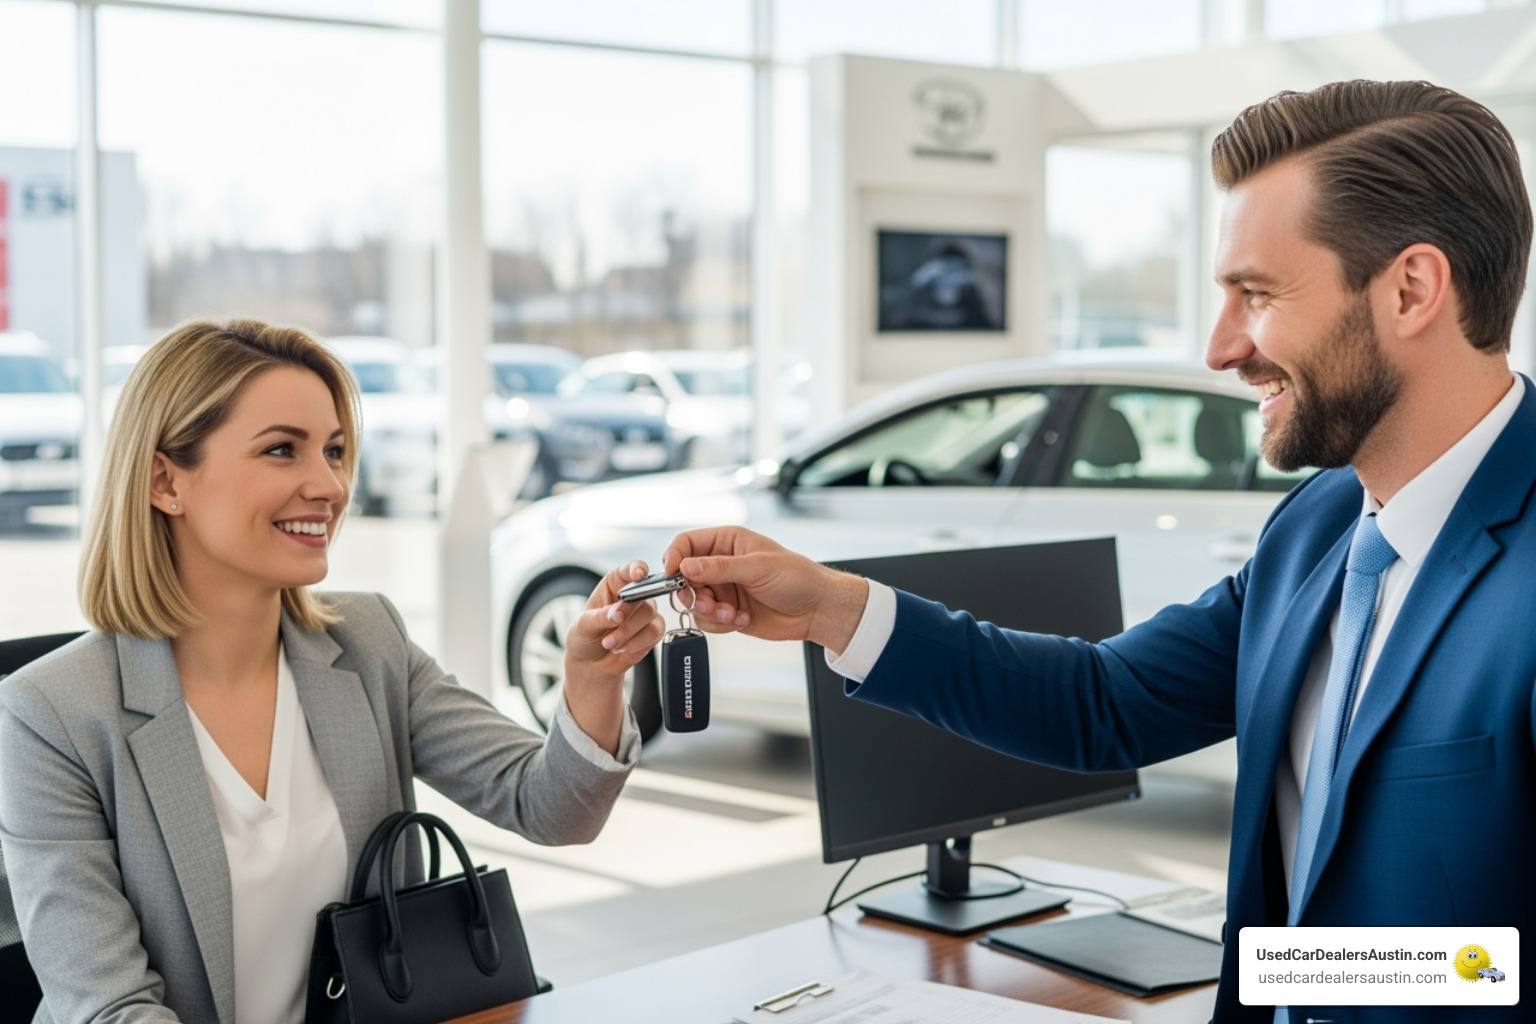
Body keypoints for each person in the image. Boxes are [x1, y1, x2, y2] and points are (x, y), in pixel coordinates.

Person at [662, 80, 1534, 1024]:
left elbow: (1501, 969)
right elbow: (1106, 702)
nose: (1220, 348)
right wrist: (832, 608)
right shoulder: (1318, 526)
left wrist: (1287, 973)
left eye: (1256, 294)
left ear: (1411, 290)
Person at [0, 319, 665, 1024]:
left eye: (335, 451)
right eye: (281, 449)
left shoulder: (369, 642)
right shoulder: (51, 715)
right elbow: (110, 1010)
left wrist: (592, 679)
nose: (331, 485)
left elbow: (553, 809)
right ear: (166, 480)